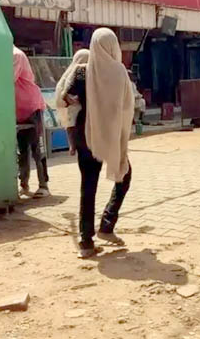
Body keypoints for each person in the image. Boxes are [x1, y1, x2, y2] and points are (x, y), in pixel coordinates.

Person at [61, 28, 135, 258]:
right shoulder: (119, 72)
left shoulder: (82, 72)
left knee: (88, 186)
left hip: (85, 135)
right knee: (124, 174)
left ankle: (86, 242)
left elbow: (65, 96)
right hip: (110, 134)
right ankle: (107, 224)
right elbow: (127, 105)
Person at [13, 46, 50, 198]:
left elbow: (7, 79)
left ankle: (43, 185)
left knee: (37, 148)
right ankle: (24, 184)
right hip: (18, 110)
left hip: (32, 107)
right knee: (22, 150)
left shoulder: (16, 55)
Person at [54, 49, 89, 155]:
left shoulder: (70, 72)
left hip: (67, 106)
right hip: (72, 105)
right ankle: (73, 145)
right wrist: (68, 98)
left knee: (70, 126)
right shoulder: (80, 70)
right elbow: (68, 90)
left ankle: (72, 145)